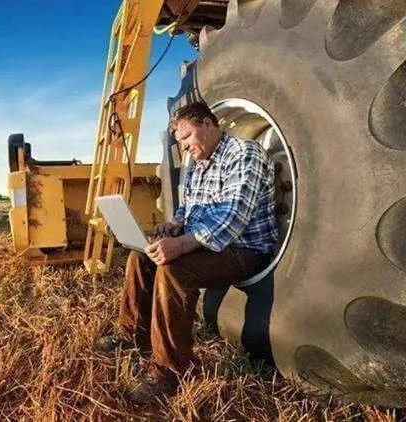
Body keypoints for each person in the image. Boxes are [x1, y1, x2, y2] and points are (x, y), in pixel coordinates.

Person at [96, 101, 279, 404]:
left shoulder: (244, 154)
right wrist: (174, 226)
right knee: (140, 257)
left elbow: (233, 218)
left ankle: (169, 372)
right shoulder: (199, 163)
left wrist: (181, 245)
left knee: (173, 269)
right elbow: (188, 208)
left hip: (244, 249)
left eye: (186, 137)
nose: (183, 146)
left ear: (208, 124)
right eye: (179, 140)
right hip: (209, 245)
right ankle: (132, 336)